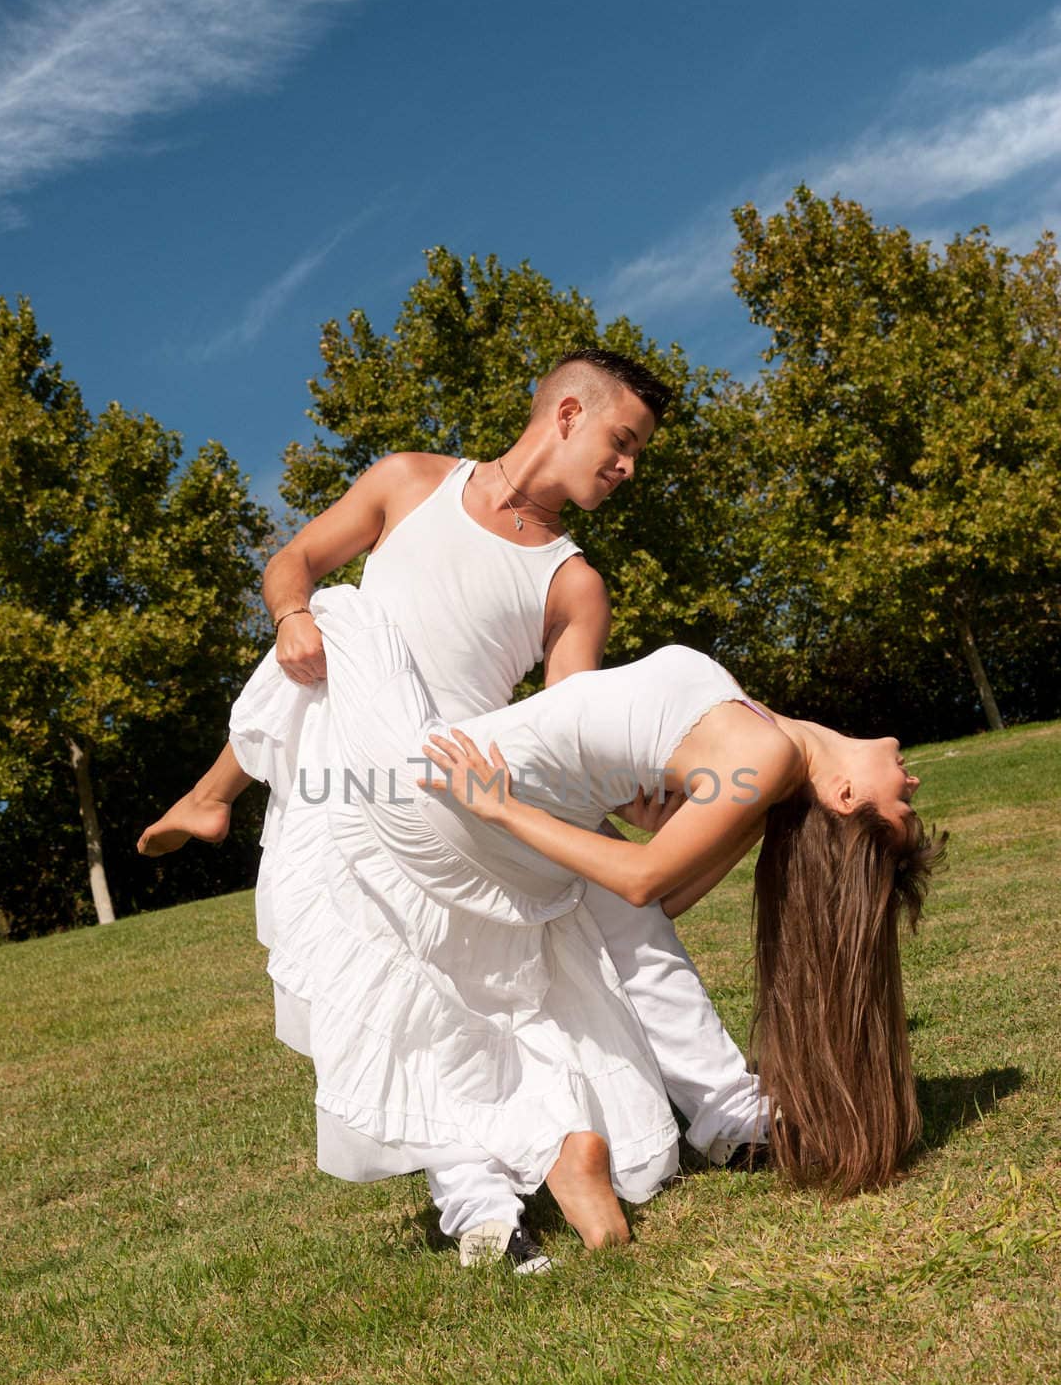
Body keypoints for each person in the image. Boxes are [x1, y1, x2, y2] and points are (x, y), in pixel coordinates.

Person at [139, 349, 765, 1267]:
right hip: (355, 771)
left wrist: (697, 805)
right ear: (563, 414)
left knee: (617, 920)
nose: (628, 468)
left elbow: (572, 727)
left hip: (461, 790)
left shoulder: (571, 582)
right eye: (621, 442)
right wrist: (291, 618)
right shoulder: (408, 483)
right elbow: (295, 562)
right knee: (412, 984)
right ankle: (478, 1201)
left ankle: (731, 1115)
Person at [226, 580, 941, 1252]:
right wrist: (623, 785)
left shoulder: (765, 756)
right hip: (492, 816)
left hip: (455, 790)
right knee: (498, 978)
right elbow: (656, 905)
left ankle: (208, 800)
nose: (910, 781)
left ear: (846, 795)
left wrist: (499, 805)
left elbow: (642, 882)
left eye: (901, 804)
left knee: (337, 614)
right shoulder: (766, 763)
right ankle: (565, 1146)